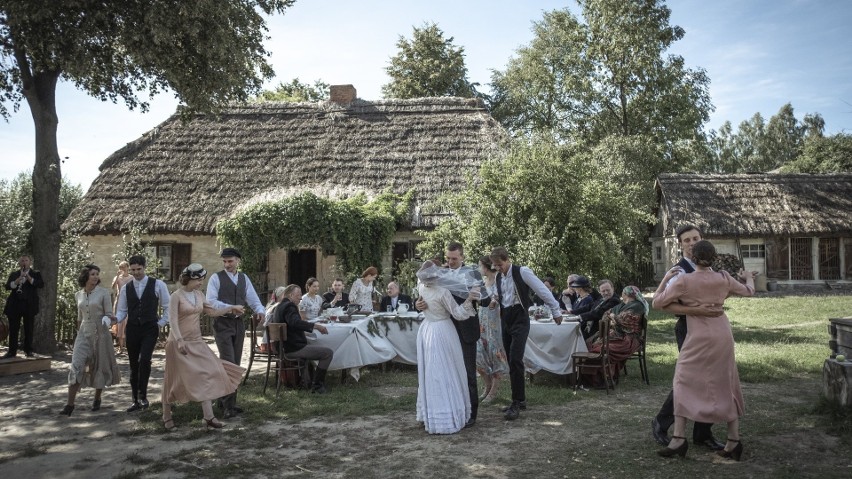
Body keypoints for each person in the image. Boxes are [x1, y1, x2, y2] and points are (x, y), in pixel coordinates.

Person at [653, 240, 754, 460]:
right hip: (721, 334)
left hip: (698, 336)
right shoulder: (724, 278)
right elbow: (748, 291)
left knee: (682, 381)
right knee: (725, 381)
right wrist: (748, 277)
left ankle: (679, 438)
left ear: (694, 259)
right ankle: (733, 441)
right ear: (714, 258)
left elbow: (657, 303)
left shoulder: (684, 280)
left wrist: (666, 278)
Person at [650, 225, 727, 450]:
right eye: (687, 240)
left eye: (695, 238)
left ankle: (703, 433)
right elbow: (663, 305)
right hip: (688, 327)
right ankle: (661, 421)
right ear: (680, 245)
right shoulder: (679, 271)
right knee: (689, 379)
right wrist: (698, 310)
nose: (692, 243)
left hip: (712, 328)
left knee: (709, 379)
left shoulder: (710, 267)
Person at [162, 264, 246, 431]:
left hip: (197, 341)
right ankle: (166, 415)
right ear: (189, 279)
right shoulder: (176, 296)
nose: (201, 283)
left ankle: (208, 417)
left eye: (202, 280)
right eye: (198, 279)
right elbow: (172, 320)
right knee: (173, 379)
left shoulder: (199, 295)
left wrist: (230, 308)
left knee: (210, 371)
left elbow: (212, 312)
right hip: (179, 342)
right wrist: (179, 340)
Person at [490, 247, 562, 420]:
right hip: (506, 318)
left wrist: (556, 310)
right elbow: (498, 294)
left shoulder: (522, 271)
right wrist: (494, 300)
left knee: (515, 358)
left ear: (506, 259)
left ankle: (516, 403)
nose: (498, 268)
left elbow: (541, 290)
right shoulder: (499, 277)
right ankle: (520, 400)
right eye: (495, 265)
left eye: (499, 264)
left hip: (520, 318)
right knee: (512, 359)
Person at [414, 261, 479, 434]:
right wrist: (470, 300)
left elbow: (423, 298)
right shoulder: (442, 291)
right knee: (446, 371)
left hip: (427, 329)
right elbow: (458, 313)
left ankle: (430, 413)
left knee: (431, 373)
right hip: (442, 331)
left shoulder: (422, 287)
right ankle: (447, 412)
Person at [206, 247, 266, 419]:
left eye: (230, 261)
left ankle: (226, 400)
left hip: (239, 325)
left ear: (238, 260)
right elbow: (210, 302)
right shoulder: (215, 278)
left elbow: (253, 298)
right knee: (228, 363)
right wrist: (229, 308)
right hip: (222, 323)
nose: (227, 264)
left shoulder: (243, 278)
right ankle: (227, 406)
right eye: (224, 261)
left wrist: (260, 310)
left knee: (236, 363)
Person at [60, 264, 121, 416]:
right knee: (77, 365)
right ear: (85, 276)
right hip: (83, 333)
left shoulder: (104, 293)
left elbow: (109, 313)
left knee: (99, 364)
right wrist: (78, 333)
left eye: (97, 274)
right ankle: (69, 404)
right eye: (93, 274)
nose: (95, 277)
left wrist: (109, 320)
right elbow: (79, 317)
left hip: (100, 332)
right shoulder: (78, 294)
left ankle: (97, 398)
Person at [115, 255, 170, 412]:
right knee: (133, 364)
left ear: (145, 268)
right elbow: (122, 311)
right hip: (132, 328)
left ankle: (143, 396)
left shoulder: (157, 284)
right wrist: (114, 319)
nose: (136, 272)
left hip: (149, 328)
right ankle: (135, 400)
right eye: (133, 270)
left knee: (144, 359)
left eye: (139, 269)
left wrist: (160, 323)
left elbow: (168, 306)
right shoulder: (127, 288)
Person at [270, 284, 333, 393]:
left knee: (313, 346)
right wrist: (315, 326)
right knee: (327, 353)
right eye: (298, 295)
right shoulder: (289, 306)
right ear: (290, 295)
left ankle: (308, 381)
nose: (300, 298)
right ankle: (317, 386)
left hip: (282, 347)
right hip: (292, 349)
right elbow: (295, 322)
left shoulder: (279, 306)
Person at [585, 286, 647, 381]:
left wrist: (613, 317)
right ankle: (594, 377)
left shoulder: (637, 306)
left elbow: (623, 320)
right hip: (617, 335)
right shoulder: (622, 305)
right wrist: (614, 318)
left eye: (623, 292)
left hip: (629, 339)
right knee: (590, 344)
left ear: (625, 294)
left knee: (601, 349)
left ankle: (601, 378)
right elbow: (605, 315)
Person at [474, 256, 508, 404]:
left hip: (495, 321)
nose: (478, 268)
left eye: (479, 265)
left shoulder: (498, 279)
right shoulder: (481, 282)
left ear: (486, 267)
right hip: (481, 320)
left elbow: (498, 297)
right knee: (478, 354)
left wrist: (494, 301)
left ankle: (493, 391)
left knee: (495, 353)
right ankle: (487, 385)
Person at [2, 254, 45, 358]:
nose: (24, 262)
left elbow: (40, 284)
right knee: (13, 328)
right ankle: (12, 351)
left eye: (26, 260)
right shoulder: (14, 274)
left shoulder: (35, 273)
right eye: (22, 261)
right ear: (19, 263)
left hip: (29, 304)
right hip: (15, 304)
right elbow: (8, 286)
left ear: (30, 263)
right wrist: (18, 279)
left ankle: (28, 350)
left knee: (29, 328)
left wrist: (29, 278)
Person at [110, 261, 133, 354]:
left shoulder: (131, 278)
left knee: (128, 323)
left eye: (124, 267)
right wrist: (116, 278)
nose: (122, 269)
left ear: (128, 267)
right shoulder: (117, 277)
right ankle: (120, 347)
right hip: (120, 301)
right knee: (120, 323)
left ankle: (130, 346)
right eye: (120, 267)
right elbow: (112, 287)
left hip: (129, 301)